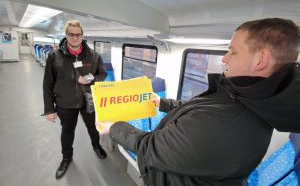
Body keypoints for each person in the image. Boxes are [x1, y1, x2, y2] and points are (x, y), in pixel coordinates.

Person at [97, 18, 300, 186]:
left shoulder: (226, 122)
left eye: (233, 51)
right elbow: (200, 110)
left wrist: (113, 127)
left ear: (260, 60)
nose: (224, 59)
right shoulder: (248, 97)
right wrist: (163, 103)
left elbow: (151, 148)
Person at [43, 20, 107, 179]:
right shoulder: (54, 57)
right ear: (66, 35)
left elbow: (102, 74)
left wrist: (91, 79)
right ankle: (66, 158)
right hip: (65, 102)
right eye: (71, 34)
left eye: (78, 34)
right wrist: (49, 109)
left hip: (88, 101)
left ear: (82, 35)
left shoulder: (94, 55)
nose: (75, 37)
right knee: (67, 131)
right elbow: (47, 84)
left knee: (93, 127)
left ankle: (96, 146)